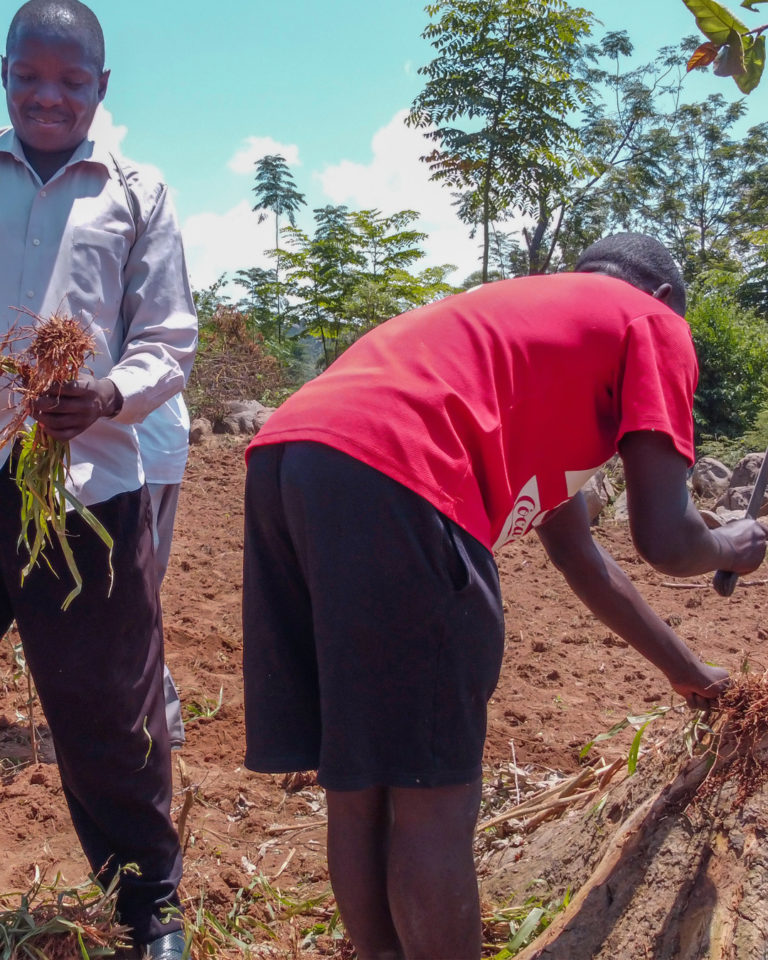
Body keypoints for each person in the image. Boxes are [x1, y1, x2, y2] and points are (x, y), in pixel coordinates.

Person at [241, 233, 767, 960]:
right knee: (430, 794)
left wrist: (687, 671)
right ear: (668, 298)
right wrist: (731, 544)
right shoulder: (652, 322)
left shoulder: (534, 342)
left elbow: (584, 558)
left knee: (360, 782)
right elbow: (667, 541)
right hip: (400, 468)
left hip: (290, 459)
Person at [0, 2, 197, 957]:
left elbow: (168, 338)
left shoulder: (135, 191)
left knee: (106, 711)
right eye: (29, 76)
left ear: (102, 89)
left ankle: (148, 905)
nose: (48, 96)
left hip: (86, 489)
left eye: (71, 81)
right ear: (4, 73)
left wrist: (107, 393)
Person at [136, 394, 191, 750]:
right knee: (141, 587)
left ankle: (152, 724)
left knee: (124, 591)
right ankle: (160, 722)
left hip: (132, 455)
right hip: (164, 443)